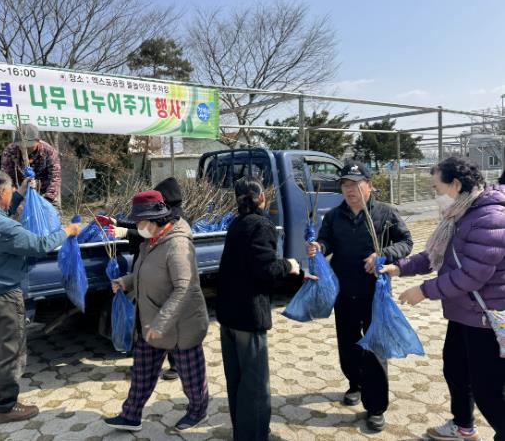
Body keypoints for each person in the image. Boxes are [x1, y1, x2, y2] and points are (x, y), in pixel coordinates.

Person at [381, 157, 505, 441]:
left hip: (485, 320)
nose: (435, 195)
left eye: (437, 188)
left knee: (488, 390)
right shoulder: (459, 215)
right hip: (463, 313)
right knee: (456, 371)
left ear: (456, 185)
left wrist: (424, 291)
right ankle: (463, 427)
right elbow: (435, 255)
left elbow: (472, 275)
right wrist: (400, 268)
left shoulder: (490, 218)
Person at [0, 169, 81, 424]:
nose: (11, 194)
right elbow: (40, 245)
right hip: (3, 298)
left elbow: (1, 214)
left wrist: (20, 192)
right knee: (10, 352)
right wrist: (68, 230)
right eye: (9, 190)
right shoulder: (6, 229)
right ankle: (6, 406)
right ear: (1, 192)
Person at [307, 160, 413, 432]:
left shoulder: (386, 213)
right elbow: (327, 240)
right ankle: (355, 383)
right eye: (345, 184)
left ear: (369, 186)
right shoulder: (334, 216)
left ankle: (375, 407)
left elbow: (406, 242)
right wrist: (319, 246)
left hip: (375, 294)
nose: (349, 190)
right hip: (344, 291)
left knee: (375, 348)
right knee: (348, 345)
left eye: (355, 184)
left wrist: (384, 254)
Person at [104, 190, 209, 433]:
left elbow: (184, 288)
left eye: (140, 221)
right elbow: (146, 273)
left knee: (192, 379)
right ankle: (130, 415)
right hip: (151, 322)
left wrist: (160, 324)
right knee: (142, 374)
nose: (137, 226)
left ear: (154, 220)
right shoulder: (150, 243)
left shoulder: (177, 245)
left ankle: (198, 411)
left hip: (180, 326)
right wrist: (126, 282)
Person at [216, 177, 306, 441]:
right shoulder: (261, 224)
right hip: (248, 315)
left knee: (236, 380)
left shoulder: (237, 223)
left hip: (228, 314)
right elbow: (265, 269)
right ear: (263, 197)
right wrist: (290, 265)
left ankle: (242, 432)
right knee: (255, 385)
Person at [97, 177, 184, 380]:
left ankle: (177, 365)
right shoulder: (161, 213)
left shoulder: (175, 218)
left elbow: (151, 232)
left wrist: (126, 232)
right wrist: (117, 223)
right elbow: (145, 228)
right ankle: (146, 365)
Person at [1, 123, 61, 203]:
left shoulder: (48, 151)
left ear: (37, 141)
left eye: (29, 146)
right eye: (21, 145)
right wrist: (15, 199)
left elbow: (55, 177)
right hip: (19, 192)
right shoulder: (10, 150)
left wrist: (47, 199)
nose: (25, 148)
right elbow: (6, 177)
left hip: (43, 193)